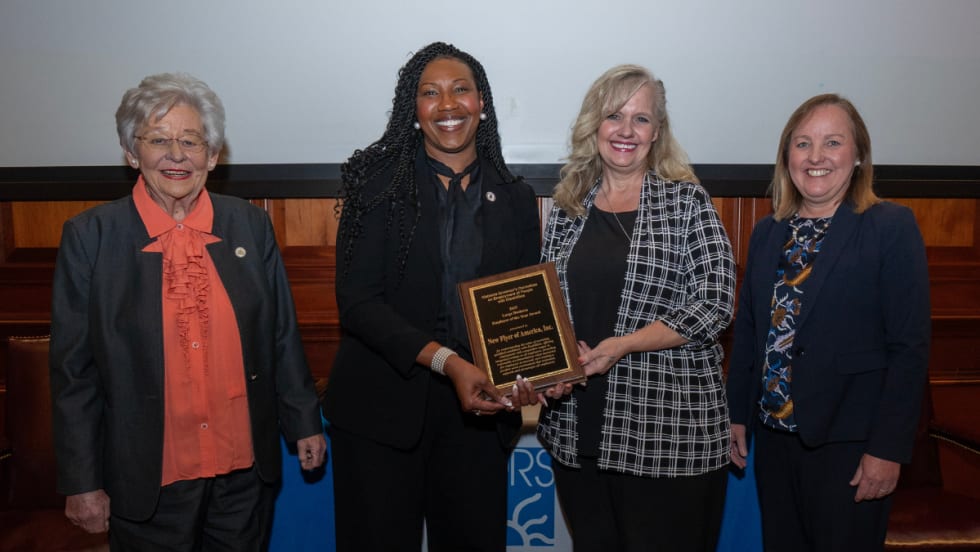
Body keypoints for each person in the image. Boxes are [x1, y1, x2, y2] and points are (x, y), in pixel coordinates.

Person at [49, 73, 327, 551]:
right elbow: (73, 373)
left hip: (242, 472)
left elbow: (280, 332)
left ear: (212, 156)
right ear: (131, 153)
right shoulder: (90, 237)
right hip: (148, 478)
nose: (176, 155)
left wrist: (303, 421)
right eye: (158, 139)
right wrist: (81, 480)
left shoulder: (250, 224)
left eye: (191, 140)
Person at [322, 42, 544, 551]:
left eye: (461, 90)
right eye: (431, 93)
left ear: (481, 103)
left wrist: (526, 374)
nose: (448, 105)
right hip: (379, 413)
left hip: (477, 420)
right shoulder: (377, 187)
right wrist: (449, 363)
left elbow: (519, 312)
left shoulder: (515, 198)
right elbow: (358, 305)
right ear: (413, 110)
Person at [537, 64, 736, 552]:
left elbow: (716, 302)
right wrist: (549, 365)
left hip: (666, 433)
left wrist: (621, 346)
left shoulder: (686, 202)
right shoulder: (568, 208)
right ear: (595, 127)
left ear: (657, 133)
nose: (626, 130)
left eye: (641, 119)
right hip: (577, 429)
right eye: (614, 116)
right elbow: (547, 310)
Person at [727, 93, 931, 551]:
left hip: (852, 447)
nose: (816, 157)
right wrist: (737, 415)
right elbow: (751, 335)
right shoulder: (767, 231)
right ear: (787, 156)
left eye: (832, 142)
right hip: (775, 444)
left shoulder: (890, 227)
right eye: (802, 144)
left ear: (858, 155)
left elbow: (909, 348)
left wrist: (887, 449)